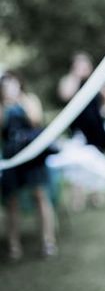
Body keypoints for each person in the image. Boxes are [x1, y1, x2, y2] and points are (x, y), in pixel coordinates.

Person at [0, 72, 57, 259]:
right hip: (11, 156)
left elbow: (35, 119)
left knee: (40, 196)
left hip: (32, 155)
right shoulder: (2, 106)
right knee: (12, 202)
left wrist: (20, 101)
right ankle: (13, 245)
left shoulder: (29, 99)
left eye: (13, 84)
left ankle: (48, 241)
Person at [58, 52, 105, 154]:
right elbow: (65, 95)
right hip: (78, 127)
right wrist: (76, 76)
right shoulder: (69, 80)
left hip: (96, 125)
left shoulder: (96, 80)